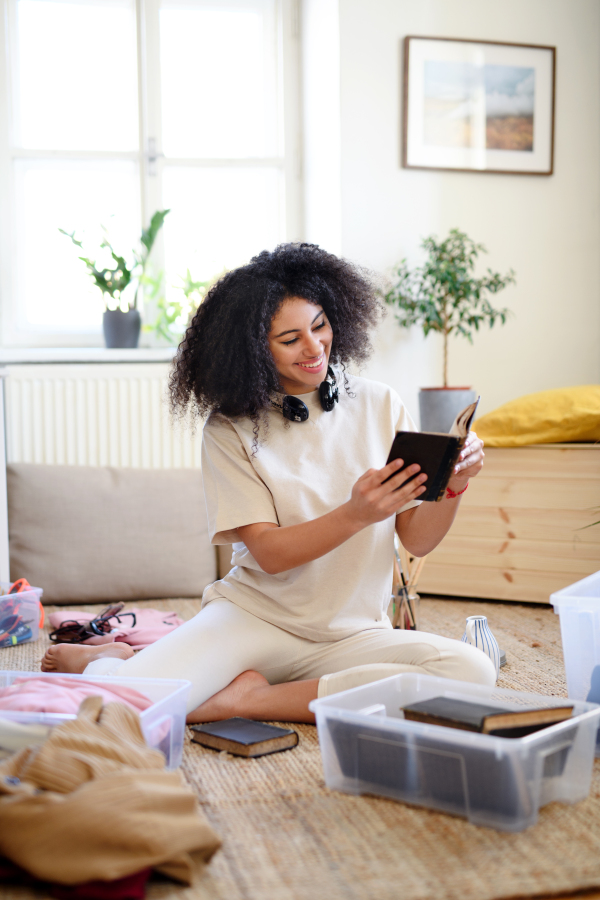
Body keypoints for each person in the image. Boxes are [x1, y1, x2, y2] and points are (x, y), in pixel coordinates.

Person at [42, 243, 495, 722]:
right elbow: (271, 555)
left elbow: (418, 540)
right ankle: (112, 660)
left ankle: (251, 700)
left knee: (471, 671)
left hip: (357, 633)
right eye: (290, 338)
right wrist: (356, 513)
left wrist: (455, 484)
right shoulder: (229, 428)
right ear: (255, 348)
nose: (315, 346)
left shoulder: (381, 404)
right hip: (254, 621)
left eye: (320, 325)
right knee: (116, 712)